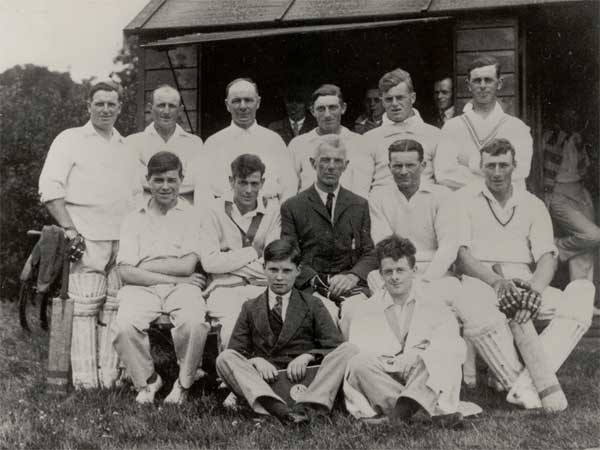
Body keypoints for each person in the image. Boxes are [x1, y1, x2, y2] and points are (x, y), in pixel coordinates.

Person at [453, 138, 594, 409]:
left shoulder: (532, 204)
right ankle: (528, 384)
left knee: (581, 296)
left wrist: (535, 292)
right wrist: (496, 283)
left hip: (524, 279)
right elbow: (462, 255)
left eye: (502, 165)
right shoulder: (463, 200)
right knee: (478, 313)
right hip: (482, 280)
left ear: (514, 167)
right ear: (481, 168)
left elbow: (546, 256)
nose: (496, 172)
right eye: (490, 166)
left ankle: (524, 386)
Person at [38, 80, 141, 389]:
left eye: (112, 104)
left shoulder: (126, 146)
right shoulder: (70, 140)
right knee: (84, 305)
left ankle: (110, 377)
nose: (106, 109)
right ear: (88, 106)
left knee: (114, 304)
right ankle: (85, 381)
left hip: (122, 238)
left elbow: (136, 194)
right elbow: (50, 189)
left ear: (120, 108)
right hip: (85, 235)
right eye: (100, 103)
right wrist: (69, 229)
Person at [216, 239, 359, 425]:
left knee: (349, 350)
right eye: (273, 270)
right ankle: (279, 410)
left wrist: (308, 356)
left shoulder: (313, 304)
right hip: (267, 382)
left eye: (287, 271)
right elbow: (237, 351)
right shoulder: (250, 307)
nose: (279, 277)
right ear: (263, 268)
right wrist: (257, 361)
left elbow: (333, 346)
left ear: (298, 270)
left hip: (306, 380)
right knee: (225, 358)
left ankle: (309, 406)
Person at [112, 151, 209, 405]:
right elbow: (125, 272)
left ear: (181, 179)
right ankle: (148, 380)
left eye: (171, 180)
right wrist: (176, 278)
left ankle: (184, 382)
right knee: (124, 325)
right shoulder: (133, 219)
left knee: (193, 321)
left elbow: (188, 265)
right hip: (143, 289)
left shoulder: (194, 215)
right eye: (158, 180)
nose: (165, 187)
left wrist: (146, 264)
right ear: (148, 180)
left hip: (179, 289)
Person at [344, 236, 465, 427]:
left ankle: (396, 418)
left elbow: (448, 338)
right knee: (358, 363)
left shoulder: (432, 301)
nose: (395, 277)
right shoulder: (368, 308)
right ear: (381, 274)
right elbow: (362, 347)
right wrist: (392, 361)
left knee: (447, 350)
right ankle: (419, 414)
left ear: (414, 271)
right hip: (387, 376)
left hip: (421, 372)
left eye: (400, 270)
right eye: (388, 272)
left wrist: (416, 355)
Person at [281, 135, 377, 338]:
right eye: (325, 160)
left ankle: (353, 367)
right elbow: (289, 254)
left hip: (350, 284)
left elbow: (369, 252)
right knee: (323, 314)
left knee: (357, 313)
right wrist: (317, 282)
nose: (331, 167)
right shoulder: (293, 206)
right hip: (312, 286)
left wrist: (352, 276)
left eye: (337, 161)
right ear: (312, 163)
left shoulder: (359, 204)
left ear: (345, 166)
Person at [200, 154, 281, 348]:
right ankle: (229, 376)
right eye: (242, 183)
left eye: (254, 184)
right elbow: (209, 263)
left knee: (275, 326)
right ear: (231, 181)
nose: (248, 190)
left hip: (262, 287)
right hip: (224, 289)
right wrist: (253, 253)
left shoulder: (273, 210)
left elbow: (272, 266)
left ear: (262, 182)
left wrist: (226, 261)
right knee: (233, 329)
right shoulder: (213, 209)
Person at [367, 139, 459, 291]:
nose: (403, 171)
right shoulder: (378, 197)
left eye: (410, 165)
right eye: (397, 166)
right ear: (389, 167)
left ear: (422, 166)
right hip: (396, 271)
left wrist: (426, 282)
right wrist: (403, 279)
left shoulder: (442, 195)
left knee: (451, 289)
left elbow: (448, 247)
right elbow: (384, 245)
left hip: (436, 272)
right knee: (374, 278)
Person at [193, 78, 297, 210]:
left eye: (248, 100)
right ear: (227, 105)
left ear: (258, 103)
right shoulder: (213, 143)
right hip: (224, 219)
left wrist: (280, 219)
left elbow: (289, 185)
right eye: (236, 101)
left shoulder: (274, 140)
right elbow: (203, 190)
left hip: (268, 218)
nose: (242, 106)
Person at [434, 56, 533, 191]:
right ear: (468, 85)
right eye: (476, 81)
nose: (482, 86)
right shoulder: (453, 127)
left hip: (503, 205)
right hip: (465, 205)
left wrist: (470, 167)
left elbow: (520, 172)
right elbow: (443, 174)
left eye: (488, 80)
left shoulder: (517, 128)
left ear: (499, 83)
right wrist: (495, 177)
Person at [542, 107, 600, 287]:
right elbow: (547, 162)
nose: (571, 119)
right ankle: (554, 247)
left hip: (580, 192)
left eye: (574, 116)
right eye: (567, 115)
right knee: (592, 236)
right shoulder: (548, 136)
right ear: (559, 117)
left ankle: (582, 298)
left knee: (585, 250)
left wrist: (579, 143)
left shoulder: (577, 139)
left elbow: (584, 169)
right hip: (559, 193)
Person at [288, 84, 375, 198]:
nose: (327, 115)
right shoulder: (298, 144)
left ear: (343, 108)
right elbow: (289, 187)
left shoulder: (359, 143)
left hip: (348, 211)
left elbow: (362, 189)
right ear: (313, 111)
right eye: (321, 109)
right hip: (307, 212)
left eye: (333, 107)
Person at [364, 68, 441, 191]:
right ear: (382, 101)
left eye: (400, 98)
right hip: (382, 206)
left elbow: (443, 182)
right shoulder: (368, 139)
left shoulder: (435, 135)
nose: (394, 104)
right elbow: (361, 187)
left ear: (413, 98)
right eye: (389, 99)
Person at [126, 85, 204, 204]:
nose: (166, 111)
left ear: (180, 110)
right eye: (161, 105)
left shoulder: (194, 143)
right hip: (146, 213)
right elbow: (134, 182)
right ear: (150, 108)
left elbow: (194, 182)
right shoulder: (133, 142)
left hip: (184, 213)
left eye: (172, 106)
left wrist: (153, 181)